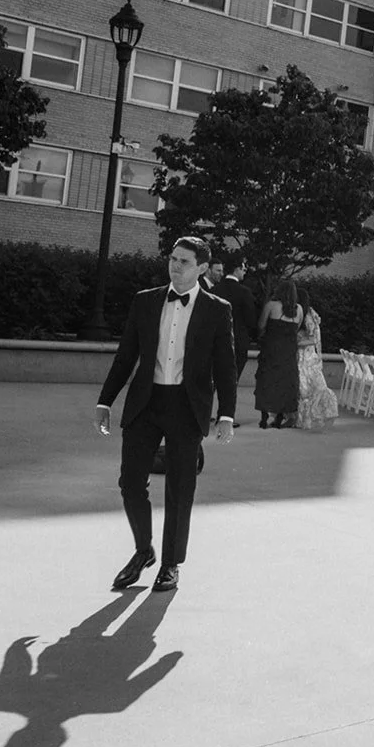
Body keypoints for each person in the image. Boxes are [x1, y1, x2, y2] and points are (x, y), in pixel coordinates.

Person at [94, 237, 236, 593]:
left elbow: (226, 365)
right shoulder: (146, 301)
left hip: (187, 407)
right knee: (130, 483)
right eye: (173, 259)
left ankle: (171, 564)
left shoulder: (217, 310)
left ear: (202, 268)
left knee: (180, 488)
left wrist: (227, 415)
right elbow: (126, 355)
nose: (175, 266)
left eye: (184, 261)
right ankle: (144, 551)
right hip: (146, 402)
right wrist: (105, 401)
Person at [254, 278, 302, 429]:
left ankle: (264, 417)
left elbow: (261, 325)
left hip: (271, 349)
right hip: (289, 351)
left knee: (266, 381)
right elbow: (297, 328)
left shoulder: (271, 305)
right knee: (285, 383)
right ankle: (280, 418)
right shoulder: (299, 309)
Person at [294, 290, 339, 431]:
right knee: (307, 390)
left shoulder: (307, 317)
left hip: (306, 357)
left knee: (306, 389)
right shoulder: (310, 314)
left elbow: (312, 339)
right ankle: (305, 419)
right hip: (309, 356)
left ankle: (306, 420)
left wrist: (294, 342)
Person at [214, 255, 259, 382]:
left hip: (216, 341)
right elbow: (251, 319)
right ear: (237, 269)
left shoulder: (214, 290)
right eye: (243, 269)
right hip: (238, 341)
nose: (245, 272)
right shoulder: (245, 292)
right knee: (232, 381)